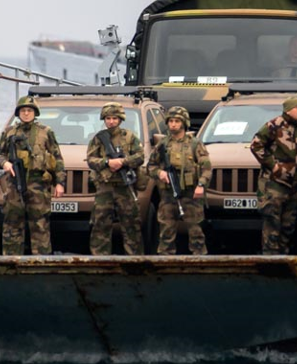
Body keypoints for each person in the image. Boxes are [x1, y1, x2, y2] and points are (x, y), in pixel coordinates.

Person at [0, 95, 66, 255]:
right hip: (15, 183)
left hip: (38, 183)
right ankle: (11, 261)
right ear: (18, 113)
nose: (26, 113)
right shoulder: (9, 132)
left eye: (29, 110)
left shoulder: (45, 132)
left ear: (35, 113)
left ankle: (42, 262)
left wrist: (60, 183)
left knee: (40, 224)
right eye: (23, 110)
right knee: (12, 222)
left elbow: (58, 159)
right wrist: (5, 163)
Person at [249, 97, 297, 254]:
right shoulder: (274, 125)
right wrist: (273, 166)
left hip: (293, 188)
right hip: (274, 186)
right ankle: (270, 263)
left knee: (288, 227)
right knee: (272, 226)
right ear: (288, 110)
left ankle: (283, 262)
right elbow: (256, 145)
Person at [149, 105, 210, 255]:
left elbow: (206, 167)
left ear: (184, 122)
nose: (173, 124)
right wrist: (160, 173)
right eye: (170, 121)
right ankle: (165, 263)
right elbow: (150, 166)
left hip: (191, 194)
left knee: (196, 232)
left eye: (177, 121)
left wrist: (201, 185)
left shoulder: (194, 144)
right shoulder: (162, 145)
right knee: (166, 232)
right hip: (168, 195)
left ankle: (199, 262)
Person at [86, 102, 145, 255]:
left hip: (125, 187)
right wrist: (107, 162)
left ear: (120, 119)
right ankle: (100, 260)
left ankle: (135, 260)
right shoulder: (99, 139)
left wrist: (123, 162)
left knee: (131, 225)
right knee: (100, 225)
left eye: (114, 118)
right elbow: (91, 159)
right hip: (105, 187)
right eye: (108, 118)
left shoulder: (130, 137)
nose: (111, 121)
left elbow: (140, 156)